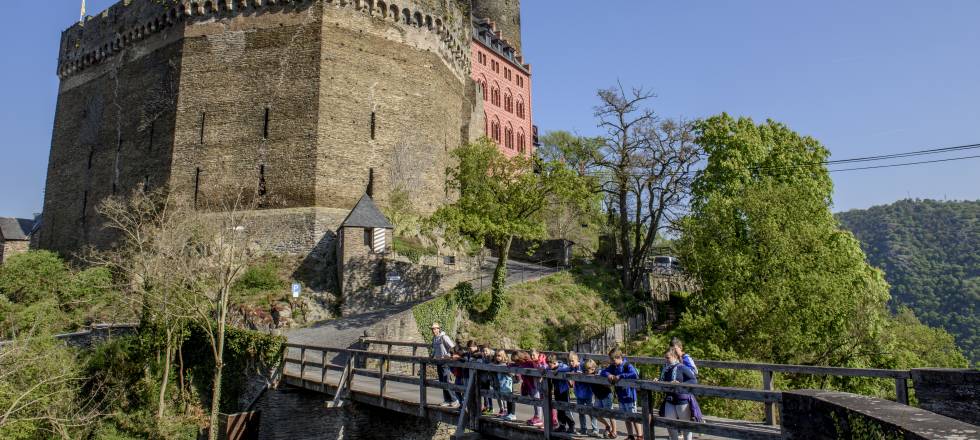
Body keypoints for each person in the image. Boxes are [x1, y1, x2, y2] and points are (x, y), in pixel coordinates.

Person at [658, 346, 702, 440]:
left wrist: (681, 384)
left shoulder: (682, 367)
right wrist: (657, 381)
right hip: (670, 399)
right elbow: (663, 381)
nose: (666, 360)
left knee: (685, 427)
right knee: (670, 425)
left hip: (682, 400)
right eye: (665, 358)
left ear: (675, 357)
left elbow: (693, 380)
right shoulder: (665, 369)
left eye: (668, 358)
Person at [602, 348, 641, 440]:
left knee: (634, 416)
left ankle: (640, 436)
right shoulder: (613, 366)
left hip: (630, 396)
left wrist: (621, 376)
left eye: (613, 360)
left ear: (619, 357)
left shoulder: (627, 365)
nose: (612, 362)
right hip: (621, 396)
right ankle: (630, 435)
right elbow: (603, 372)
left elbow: (634, 374)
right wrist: (609, 375)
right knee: (626, 417)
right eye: (611, 360)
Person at [569, 352, 599, 437]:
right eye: (570, 361)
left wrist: (581, 374)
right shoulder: (573, 368)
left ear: (577, 359)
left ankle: (595, 429)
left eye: (572, 361)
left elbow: (593, 371)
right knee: (581, 412)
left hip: (588, 393)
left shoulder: (583, 366)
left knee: (591, 412)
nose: (571, 363)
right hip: (579, 393)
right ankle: (583, 429)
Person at [430, 322, 459, 407]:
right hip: (439, 362)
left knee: (447, 381)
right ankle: (447, 400)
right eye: (432, 329)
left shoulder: (444, 337)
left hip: (446, 363)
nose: (433, 330)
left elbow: (453, 348)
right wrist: (432, 356)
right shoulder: (434, 338)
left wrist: (448, 356)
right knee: (442, 382)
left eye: (435, 328)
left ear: (439, 329)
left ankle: (455, 400)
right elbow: (435, 349)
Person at [587, 358, 617, 439]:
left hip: (606, 395)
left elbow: (608, 383)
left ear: (593, 368)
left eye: (588, 369)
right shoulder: (588, 374)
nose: (587, 371)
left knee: (610, 413)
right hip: (598, 396)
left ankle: (614, 431)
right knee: (595, 413)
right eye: (586, 369)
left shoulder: (600, 373)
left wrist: (602, 382)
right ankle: (607, 426)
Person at [546, 354, 576, 433]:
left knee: (566, 409)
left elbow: (568, 369)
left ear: (554, 362)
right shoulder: (550, 367)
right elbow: (546, 369)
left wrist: (557, 370)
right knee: (559, 408)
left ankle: (571, 426)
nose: (549, 366)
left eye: (550, 365)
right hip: (557, 390)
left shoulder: (563, 366)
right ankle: (562, 426)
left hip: (564, 390)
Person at [517, 351, 544, 427]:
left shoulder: (530, 363)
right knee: (534, 401)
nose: (532, 356)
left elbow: (538, 368)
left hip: (534, 385)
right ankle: (536, 416)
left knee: (537, 400)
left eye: (533, 355)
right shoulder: (525, 363)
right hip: (530, 385)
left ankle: (539, 418)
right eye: (531, 355)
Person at [494, 350, 517, 420]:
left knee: (511, 398)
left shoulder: (506, 364)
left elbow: (512, 374)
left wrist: (506, 371)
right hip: (502, 384)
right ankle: (509, 413)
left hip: (508, 384)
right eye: (496, 356)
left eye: (499, 356)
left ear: (503, 356)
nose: (497, 357)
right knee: (507, 398)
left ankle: (513, 414)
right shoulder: (497, 364)